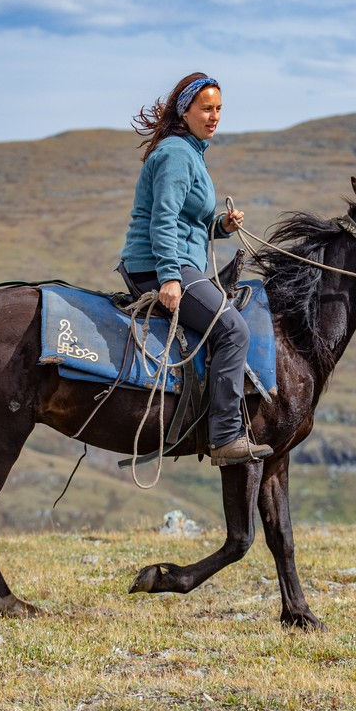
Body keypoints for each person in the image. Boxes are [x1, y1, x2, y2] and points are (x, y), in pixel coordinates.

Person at [118, 72, 273, 464]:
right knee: (233, 329)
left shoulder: (191, 154)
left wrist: (221, 226)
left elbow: (188, 223)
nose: (214, 116)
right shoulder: (176, 154)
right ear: (184, 111)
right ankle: (224, 438)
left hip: (178, 262)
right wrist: (170, 276)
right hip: (158, 266)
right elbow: (163, 219)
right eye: (206, 108)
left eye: (219, 109)